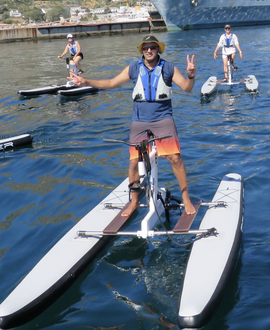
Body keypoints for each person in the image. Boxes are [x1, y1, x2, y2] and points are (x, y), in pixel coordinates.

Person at [70, 35, 197, 217]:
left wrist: (191, 76)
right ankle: (135, 201)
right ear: (142, 50)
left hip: (163, 118)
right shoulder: (134, 68)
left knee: (175, 158)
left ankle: (186, 198)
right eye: (145, 48)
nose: (149, 50)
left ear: (158, 49)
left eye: (152, 47)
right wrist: (86, 81)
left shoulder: (168, 68)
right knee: (133, 163)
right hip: (139, 120)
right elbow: (112, 83)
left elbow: (187, 88)